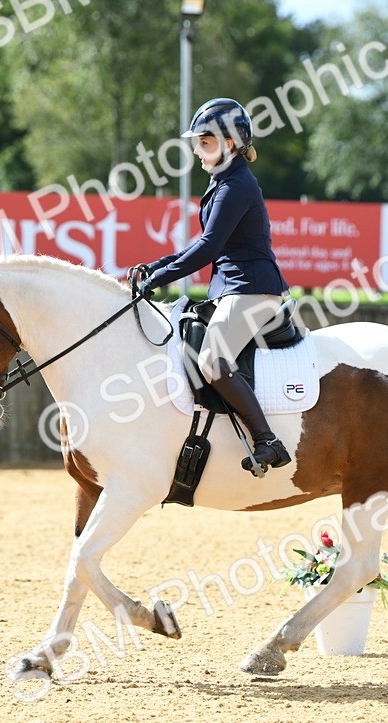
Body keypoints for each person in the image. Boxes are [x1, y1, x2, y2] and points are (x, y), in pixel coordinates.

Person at [135, 97, 292, 473]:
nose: (197, 148)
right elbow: (205, 242)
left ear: (231, 143)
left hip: (253, 288)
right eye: (198, 141)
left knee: (212, 360)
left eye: (205, 141)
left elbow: (209, 247)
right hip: (231, 287)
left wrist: (161, 278)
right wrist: (157, 265)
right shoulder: (223, 181)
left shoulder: (236, 184)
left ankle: (267, 440)